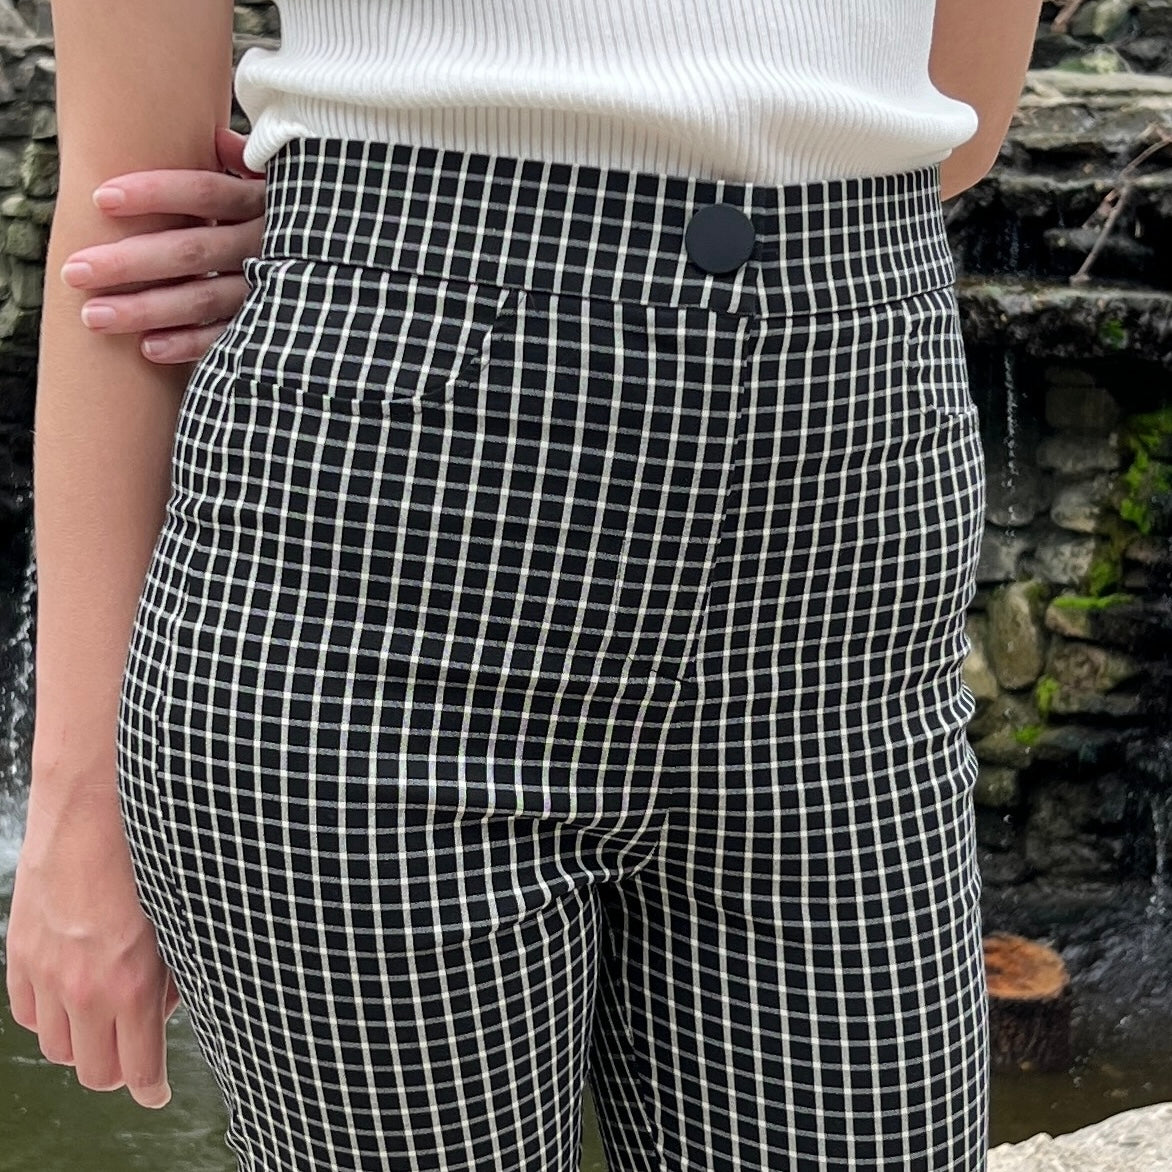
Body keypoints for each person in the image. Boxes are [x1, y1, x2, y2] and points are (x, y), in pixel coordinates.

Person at [7, 2, 1042, 1169]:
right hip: (378, 575)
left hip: (841, 569)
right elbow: (131, 210)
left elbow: (954, 111)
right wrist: (80, 802)